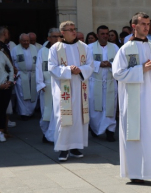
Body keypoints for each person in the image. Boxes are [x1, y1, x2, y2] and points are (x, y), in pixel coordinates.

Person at [112, 12, 151, 185]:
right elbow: (117, 73)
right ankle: (136, 172)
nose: (147, 27)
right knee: (136, 136)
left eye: (148, 24)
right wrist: (141, 69)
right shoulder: (125, 49)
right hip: (133, 101)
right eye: (143, 24)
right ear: (134, 26)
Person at [48, 21, 94, 161]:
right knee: (63, 118)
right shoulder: (55, 48)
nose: (74, 32)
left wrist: (80, 70)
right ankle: (63, 148)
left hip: (80, 88)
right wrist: (68, 70)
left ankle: (75, 146)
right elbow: (52, 67)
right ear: (63, 33)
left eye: (74, 29)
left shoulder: (84, 47)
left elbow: (90, 65)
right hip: (64, 90)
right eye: (70, 30)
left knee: (78, 118)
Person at [88, 25, 119, 142]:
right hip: (95, 82)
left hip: (110, 82)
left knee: (110, 108)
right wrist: (98, 64)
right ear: (97, 35)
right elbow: (87, 63)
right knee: (95, 109)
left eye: (107, 33)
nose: (105, 36)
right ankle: (95, 128)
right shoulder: (90, 47)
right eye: (102, 34)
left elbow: (119, 62)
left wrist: (111, 64)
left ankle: (110, 131)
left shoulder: (115, 47)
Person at [36, 28, 61, 144]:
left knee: (58, 113)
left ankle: (56, 135)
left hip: (61, 86)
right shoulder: (43, 51)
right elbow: (39, 68)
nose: (57, 39)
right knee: (47, 112)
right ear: (48, 38)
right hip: (47, 85)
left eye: (58, 36)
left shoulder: (64, 50)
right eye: (54, 37)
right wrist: (40, 83)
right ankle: (46, 134)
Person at [11, 33, 38, 120]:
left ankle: (30, 112)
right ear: (19, 41)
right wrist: (14, 70)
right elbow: (11, 62)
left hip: (33, 74)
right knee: (22, 95)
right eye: (24, 41)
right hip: (21, 74)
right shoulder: (15, 49)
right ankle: (24, 113)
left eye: (28, 41)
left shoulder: (34, 48)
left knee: (33, 93)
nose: (26, 42)